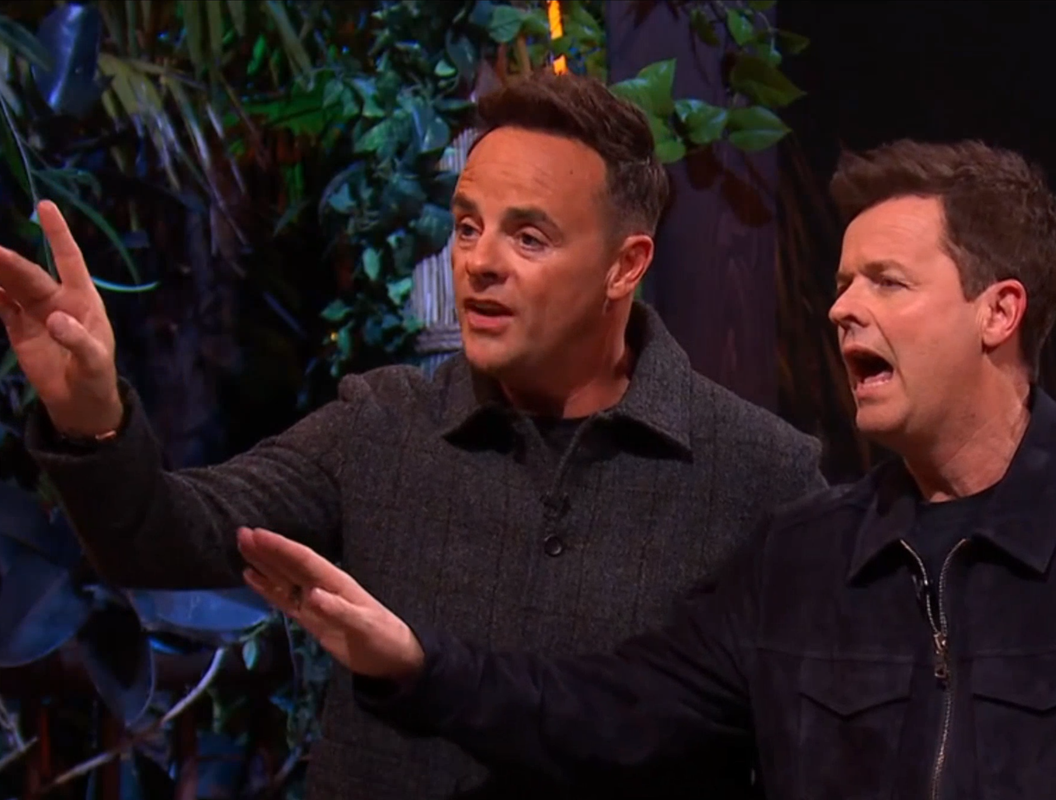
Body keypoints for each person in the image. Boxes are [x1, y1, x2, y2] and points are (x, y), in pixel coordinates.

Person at [236, 139, 1056, 799]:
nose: (841, 309)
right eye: (841, 283)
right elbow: (607, 714)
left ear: (999, 312)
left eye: (887, 282)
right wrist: (416, 665)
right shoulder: (803, 561)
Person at [1, 71, 826, 799]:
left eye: (528, 237)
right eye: (467, 226)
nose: (479, 262)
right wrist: (90, 414)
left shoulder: (759, 474)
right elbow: (164, 539)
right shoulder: (382, 424)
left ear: (625, 265)